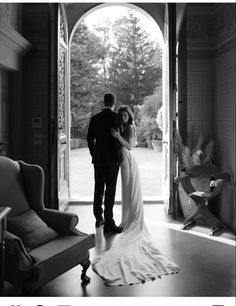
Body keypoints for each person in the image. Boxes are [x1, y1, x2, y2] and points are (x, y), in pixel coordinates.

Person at [92, 105, 180, 286]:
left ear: (129, 116)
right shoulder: (119, 126)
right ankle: (126, 218)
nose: (123, 117)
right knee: (125, 193)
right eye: (121, 115)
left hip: (127, 161)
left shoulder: (129, 128)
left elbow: (130, 146)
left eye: (125, 115)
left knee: (129, 191)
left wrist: (117, 137)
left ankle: (133, 220)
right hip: (119, 162)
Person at [87, 92, 122, 233]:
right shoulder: (116, 118)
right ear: (114, 103)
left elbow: (90, 139)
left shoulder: (95, 118)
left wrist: (93, 153)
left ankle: (98, 218)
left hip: (99, 159)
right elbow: (118, 139)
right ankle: (109, 222)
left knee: (98, 188)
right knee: (110, 190)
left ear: (104, 102)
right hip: (113, 159)